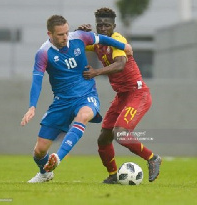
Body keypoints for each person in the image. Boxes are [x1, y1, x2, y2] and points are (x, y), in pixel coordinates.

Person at [20, 14, 132, 183]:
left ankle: (58, 158)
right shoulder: (43, 53)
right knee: (39, 151)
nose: (66, 37)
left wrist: (124, 46)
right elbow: (37, 81)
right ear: (49, 34)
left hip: (86, 95)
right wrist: (32, 106)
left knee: (84, 115)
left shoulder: (79, 37)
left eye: (66, 32)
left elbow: (102, 39)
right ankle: (45, 173)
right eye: (60, 34)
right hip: (61, 102)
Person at [78, 8, 162, 183]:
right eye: (99, 25)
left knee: (121, 133)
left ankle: (152, 158)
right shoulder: (99, 42)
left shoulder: (117, 40)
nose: (102, 28)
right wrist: (81, 32)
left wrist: (96, 72)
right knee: (103, 139)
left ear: (113, 26)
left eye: (106, 25)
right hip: (122, 96)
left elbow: (120, 64)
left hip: (137, 93)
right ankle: (113, 175)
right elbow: (77, 44)